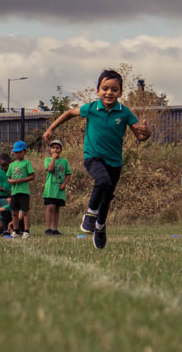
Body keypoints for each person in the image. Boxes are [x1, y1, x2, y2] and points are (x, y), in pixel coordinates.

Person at [42, 69, 152, 249]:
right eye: (105, 88)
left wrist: (147, 134)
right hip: (93, 157)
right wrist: (50, 129)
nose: (109, 92)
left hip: (115, 161)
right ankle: (90, 215)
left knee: (107, 198)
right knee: (102, 180)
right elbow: (69, 113)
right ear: (98, 90)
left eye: (114, 89)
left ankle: (100, 227)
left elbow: (140, 136)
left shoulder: (124, 113)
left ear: (120, 92)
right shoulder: (91, 108)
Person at [7, 140, 35, 238]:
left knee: (25, 212)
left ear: (24, 152)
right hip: (14, 192)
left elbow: (32, 176)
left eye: (20, 152)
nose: (18, 154)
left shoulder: (27, 163)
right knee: (14, 212)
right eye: (16, 152)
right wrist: (11, 181)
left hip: (23, 191)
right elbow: (8, 177)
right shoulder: (11, 165)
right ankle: (16, 230)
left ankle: (26, 231)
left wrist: (22, 180)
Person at [43, 139, 72, 235]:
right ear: (50, 150)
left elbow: (68, 174)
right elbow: (50, 169)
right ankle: (48, 228)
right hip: (50, 188)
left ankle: (55, 229)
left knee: (57, 208)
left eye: (58, 148)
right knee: (50, 206)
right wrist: (53, 159)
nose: (55, 149)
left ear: (61, 150)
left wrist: (64, 184)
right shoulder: (47, 160)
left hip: (60, 189)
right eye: (53, 148)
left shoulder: (65, 161)